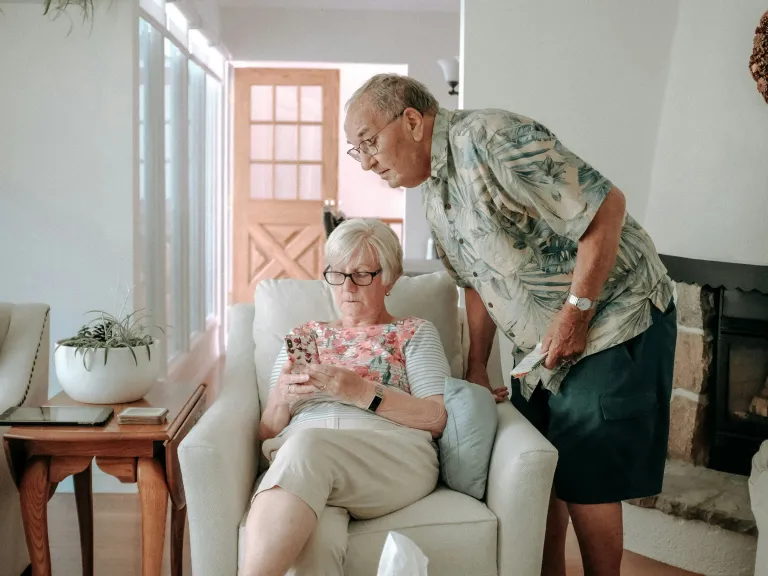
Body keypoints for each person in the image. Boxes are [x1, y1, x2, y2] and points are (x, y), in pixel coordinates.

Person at [344, 74, 677, 576]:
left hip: (613, 317)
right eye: (356, 151)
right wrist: (479, 364)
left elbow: (606, 207)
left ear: (411, 121)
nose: (366, 161)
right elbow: (475, 283)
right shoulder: (434, 193)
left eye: (368, 142)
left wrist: (576, 315)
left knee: (586, 478)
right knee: (542, 475)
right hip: (543, 345)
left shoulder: (491, 137)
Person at [241, 218, 451, 576]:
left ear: (390, 278)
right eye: (337, 274)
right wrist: (281, 398)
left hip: (390, 456)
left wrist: (362, 392)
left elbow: (436, 418)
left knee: (308, 447)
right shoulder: (305, 335)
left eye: (362, 274)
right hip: (307, 459)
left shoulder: (412, 332)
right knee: (314, 540)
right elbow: (268, 430)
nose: (347, 287)